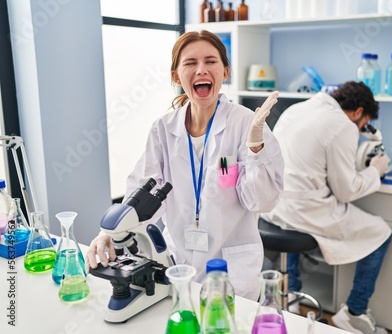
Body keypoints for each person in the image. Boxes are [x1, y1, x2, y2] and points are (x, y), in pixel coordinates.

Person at [85, 30, 284, 301]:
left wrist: (256, 149)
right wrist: (109, 232)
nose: (201, 69)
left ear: (225, 72)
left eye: (211, 61)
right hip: (177, 262)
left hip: (231, 267)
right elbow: (142, 191)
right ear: (176, 76)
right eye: (190, 63)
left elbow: (261, 202)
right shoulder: (164, 130)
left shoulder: (247, 124)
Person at [261, 81, 392, 334]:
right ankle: (354, 312)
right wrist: (376, 170)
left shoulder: (297, 109)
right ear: (358, 112)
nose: (362, 128)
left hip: (274, 208)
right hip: (306, 213)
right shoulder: (343, 125)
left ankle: (294, 303)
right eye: (363, 123)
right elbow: (347, 190)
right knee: (382, 232)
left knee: (294, 221)